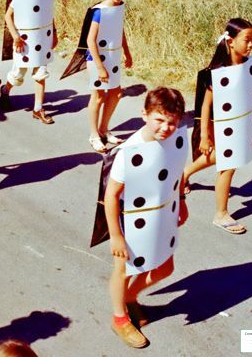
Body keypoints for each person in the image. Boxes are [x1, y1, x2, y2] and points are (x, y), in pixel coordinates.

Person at [103, 87, 188, 348]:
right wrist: (116, 235)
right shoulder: (129, 151)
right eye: (159, 120)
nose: (165, 128)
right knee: (124, 270)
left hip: (162, 212)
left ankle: (130, 296)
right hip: (130, 219)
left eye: (172, 122)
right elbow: (111, 195)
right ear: (144, 115)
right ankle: (120, 318)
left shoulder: (175, 139)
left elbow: (177, 169)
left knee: (164, 267)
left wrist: (182, 201)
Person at [183, 18, 252, 234]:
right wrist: (204, 136)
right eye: (246, 40)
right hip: (218, 122)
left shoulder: (246, 65)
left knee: (219, 157)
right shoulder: (220, 71)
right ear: (231, 42)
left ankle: (183, 175)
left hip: (236, 122)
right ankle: (221, 214)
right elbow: (206, 106)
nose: (251, 44)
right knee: (228, 164)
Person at [0, 0, 58, 125]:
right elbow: (8, 16)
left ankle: (38, 109)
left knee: (41, 73)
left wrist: (54, 33)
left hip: (42, 38)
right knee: (18, 74)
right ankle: (5, 90)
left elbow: (48, 13)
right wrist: (16, 37)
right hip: (25, 41)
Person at [85, 0, 133, 152]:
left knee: (116, 92)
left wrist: (127, 52)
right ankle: (93, 135)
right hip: (97, 58)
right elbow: (90, 40)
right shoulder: (99, 11)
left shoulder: (119, 7)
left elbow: (119, 30)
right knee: (98, 96)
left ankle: (103, 129)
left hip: (113, 56)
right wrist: (100, 67)